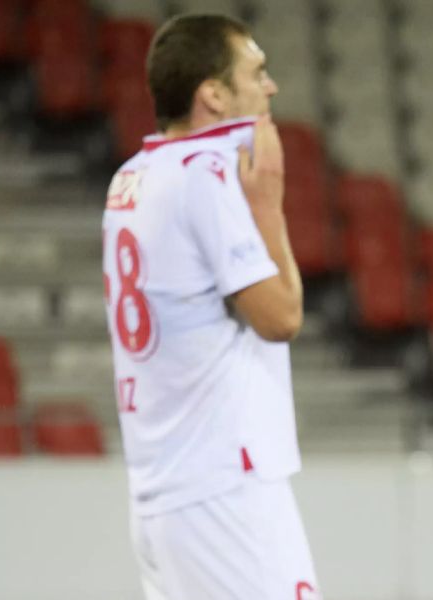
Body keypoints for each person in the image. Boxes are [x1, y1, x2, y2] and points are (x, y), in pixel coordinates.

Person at [102, 14, 320, 599]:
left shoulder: (131, 177)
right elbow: (281, 319)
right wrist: (269, 205)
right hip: (223, 490)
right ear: (214, 94)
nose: (270, 87)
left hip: (161, 492)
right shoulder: (207, 177)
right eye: (257, 72)